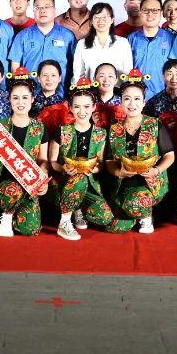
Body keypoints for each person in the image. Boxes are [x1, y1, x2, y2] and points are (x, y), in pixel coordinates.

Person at [106, 71, 176, 234]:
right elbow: (109, 161)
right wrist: (119, 172)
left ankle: (145, 216)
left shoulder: (154, 124)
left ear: (144, 102)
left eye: (137, 99)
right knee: (114, 227)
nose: (132, 103)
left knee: (136, 202)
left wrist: (156, 170)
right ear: (121, 102)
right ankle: (132, 214)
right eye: (127, 99)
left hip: (149, 181)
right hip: (124, 181)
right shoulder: (114, 129)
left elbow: (169, 156)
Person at [49, 84, 120, 240]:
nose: (82, 111)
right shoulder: (62, 131)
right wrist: (63, 168)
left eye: (87, 106)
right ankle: (65, 222)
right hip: (64, 182)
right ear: (71, 108)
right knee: (78, 177)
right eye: (77, 106)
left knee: (105, 217)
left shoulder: (101, 134)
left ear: (94, 107)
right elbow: (52, 162)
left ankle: (78, 208)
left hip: (90, 183)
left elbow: (101, 163)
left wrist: (96, 169)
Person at [0, 75, 49, 237]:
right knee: (13, 190)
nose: (20, 102)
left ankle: (16, 212)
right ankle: (6, 216)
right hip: (2, 182)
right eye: (15, 98)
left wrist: (43, 177)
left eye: (25, 97)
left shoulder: (39, 128)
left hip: (28, 183)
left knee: (31, 229)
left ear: (32, 99)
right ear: (9, 100)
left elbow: (43, 160)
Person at [8, 0, 76, 85]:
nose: (42, 11)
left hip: (59, 90)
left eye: (46, 7)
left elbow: (75, 66)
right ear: (33, 11)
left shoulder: (68, 36)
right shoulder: (22, 36)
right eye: (38, 7)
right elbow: (15, 67)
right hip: (30, 90)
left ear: (54, 10)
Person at [125, 0, 174, 100]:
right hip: (136, 97)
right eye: (146, 10)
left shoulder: (171, 39)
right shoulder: (131, 39)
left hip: (163, 97)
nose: (150, 14)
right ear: (140, 12)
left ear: (161, 13)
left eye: (155, 10)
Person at [71, 2, 133, 81]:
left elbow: (128, 72)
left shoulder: (122, 43)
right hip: (91, 88)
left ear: (112, 20)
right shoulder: (82, 43)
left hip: (117, 88)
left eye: (104, 17)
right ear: (91, 21)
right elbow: (77, 74)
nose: (100, 20)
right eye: (96, 17)